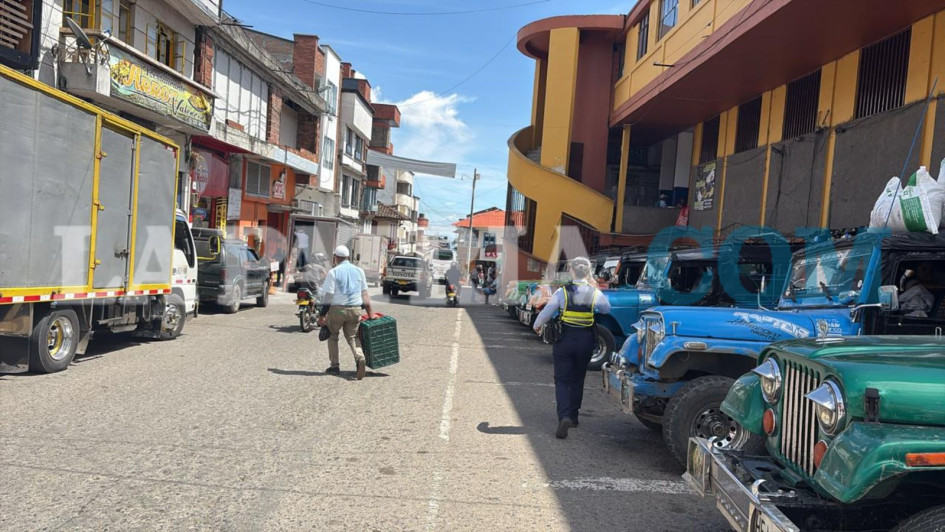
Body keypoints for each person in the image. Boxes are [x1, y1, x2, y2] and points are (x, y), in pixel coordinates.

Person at [533, 257, 611, 439]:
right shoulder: (594, 292)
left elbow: (547, 311)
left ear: (573, 272)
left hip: (565, 340)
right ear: (587, 273)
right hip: (586, 340)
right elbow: (607, 309)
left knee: (561, 379)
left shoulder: (563, 292)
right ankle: (574, 417)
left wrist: (537, 325)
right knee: (578, 378)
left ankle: (564, 416)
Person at [317, 246, 375, 379]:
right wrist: (370, 313)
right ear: (348, 257)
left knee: (332, 336)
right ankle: (360, 358)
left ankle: (334, 366)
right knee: (353, 337)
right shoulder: (359, 271)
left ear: (336, 257)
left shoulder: (334, 272)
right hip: (355, 309)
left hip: (337, 309)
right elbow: (365, 294)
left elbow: (329, 296)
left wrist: (322, 315)